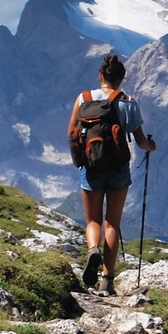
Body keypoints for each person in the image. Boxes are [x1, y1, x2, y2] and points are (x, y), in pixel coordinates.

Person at [69, 53, 157, 294]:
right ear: (121, 79)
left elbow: (72, 133)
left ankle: (92, 250)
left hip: (91, 167)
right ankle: (107, 280)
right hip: (118, 170)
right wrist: (152, 145)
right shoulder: (129, 103)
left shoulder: (83, 99)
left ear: (101, 76)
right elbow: (140, 142)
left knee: (93, 220)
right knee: (112, 223)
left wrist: (81, 161)